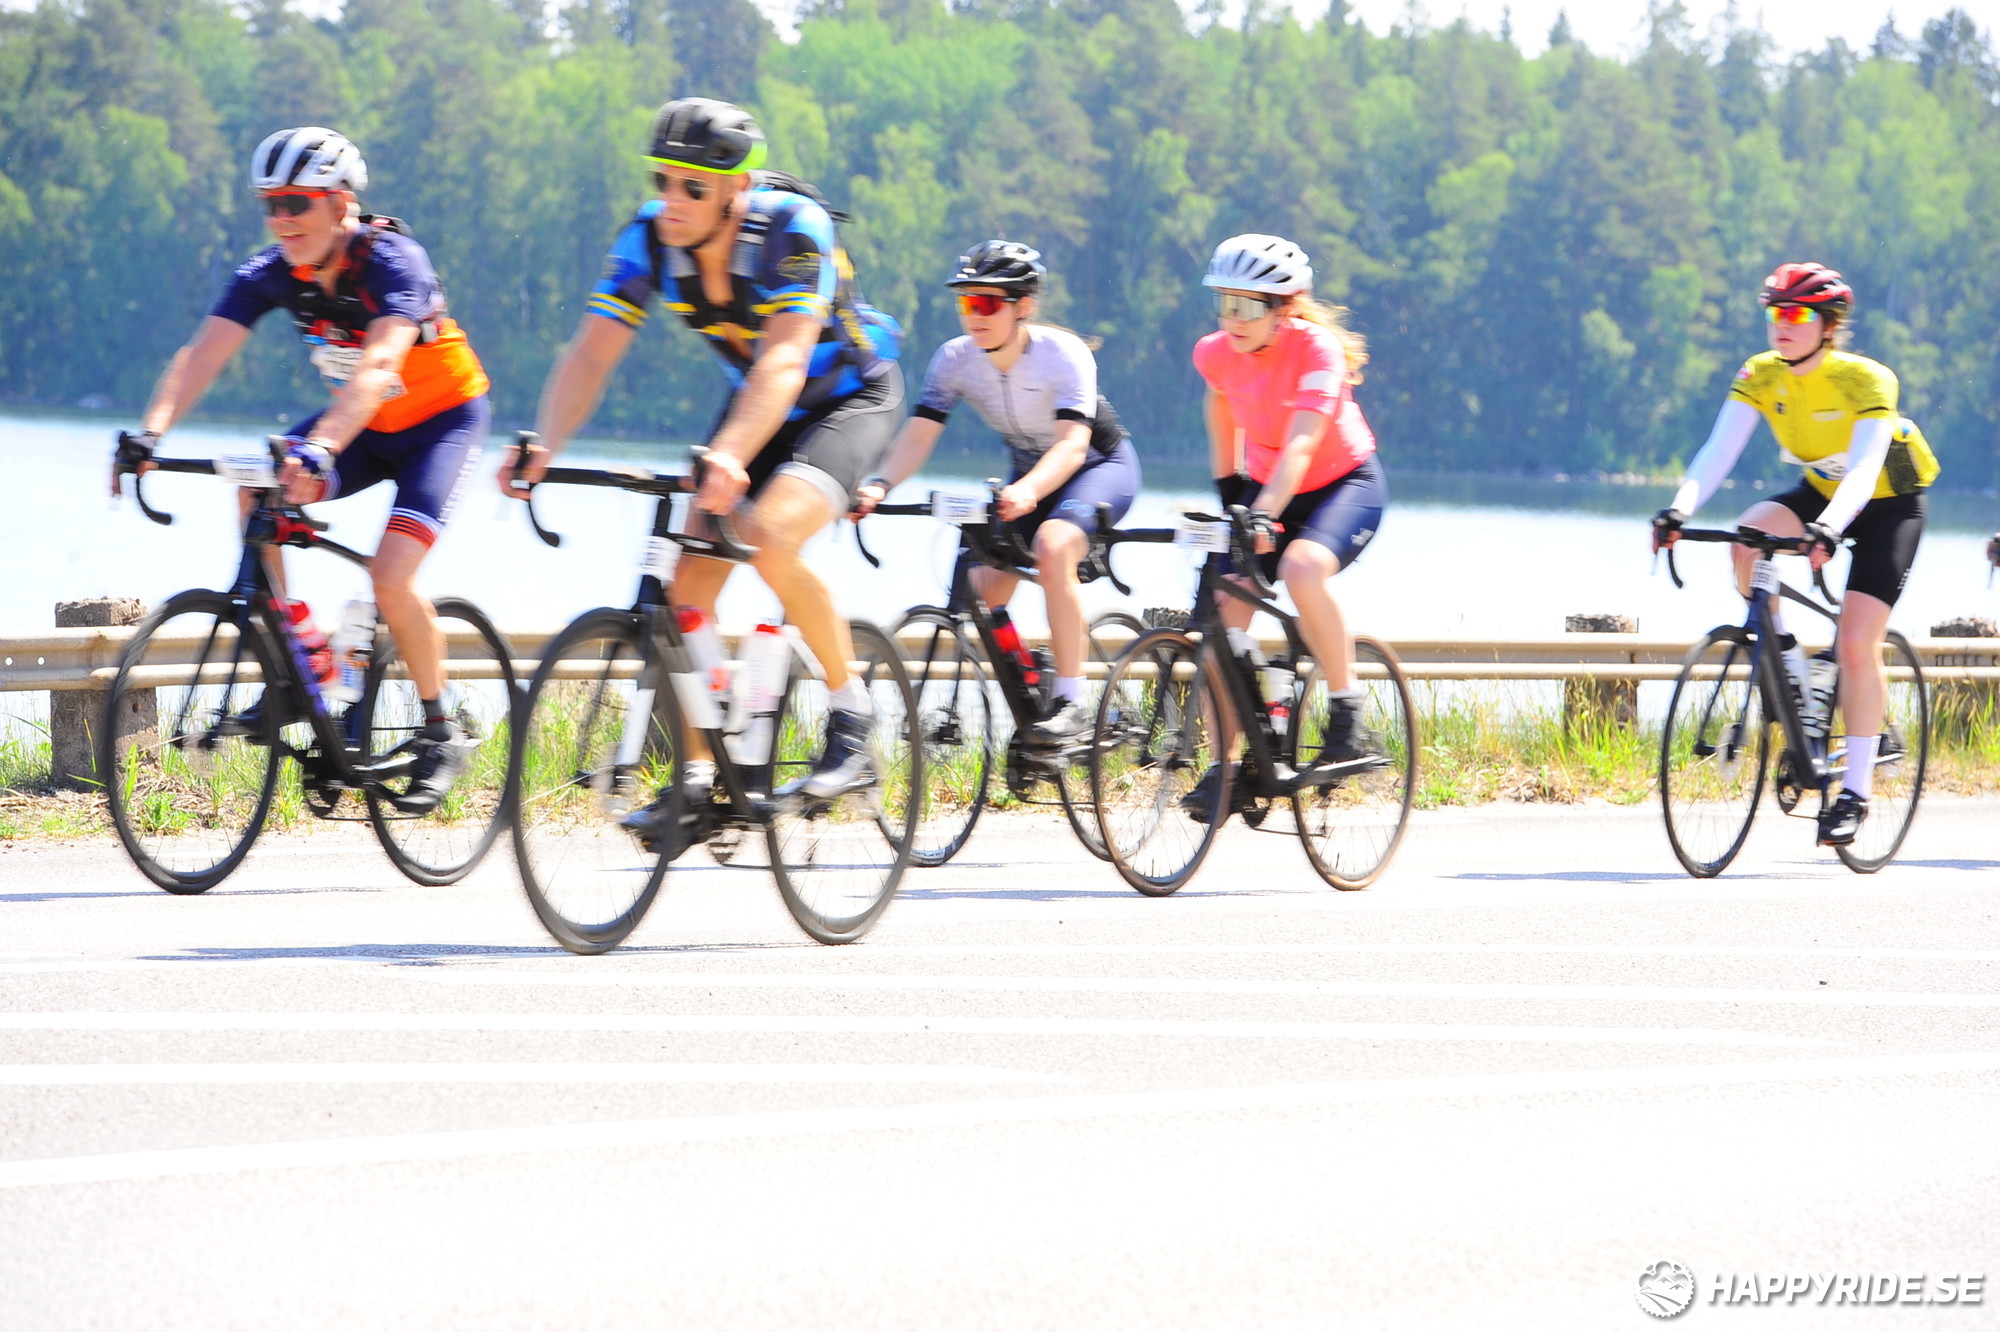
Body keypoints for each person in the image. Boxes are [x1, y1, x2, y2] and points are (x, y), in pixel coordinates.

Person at [500, 98, 904, 833]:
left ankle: (852, 718)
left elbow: (785, 359)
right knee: (687, 585)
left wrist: (730, 455)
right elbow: (592, 351)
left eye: (693, 186)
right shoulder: (649, 239)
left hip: (846, 399)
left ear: (737, 188)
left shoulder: (793, 231)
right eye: (662, 180)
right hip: (758, 404)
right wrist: (546, 441)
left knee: (768, 536)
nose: (673, 200)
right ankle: (697, 779)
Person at [117, 126, 490, 813]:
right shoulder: (270, 271)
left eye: (297, 202)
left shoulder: (395, 263)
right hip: (364, 428)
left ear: (341, 203)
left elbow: (379, 368)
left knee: (390, 576)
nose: (282, 219)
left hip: (440, 427)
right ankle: (299, 665)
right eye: (270, 205)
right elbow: (202, 354)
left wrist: (320, 449)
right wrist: (149, 433)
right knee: (255, 494)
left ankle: (443, 730)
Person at [1653, 261, 1939, 847]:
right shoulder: (1761, 374)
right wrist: (1678, 511)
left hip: (1888, 504)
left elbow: (1865, 468)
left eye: (1796, 313)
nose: (1781, 323)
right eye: (1773, 312)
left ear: (1828, 325)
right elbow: (1719, 449)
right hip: (1822, 492)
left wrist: (1829, 529)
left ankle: (1853, 794)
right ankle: (1791, 668)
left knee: (1856, 640)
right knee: (1748, 537)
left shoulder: (1866, 379)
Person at [853, 240, 1141, 744]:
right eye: (966, 303)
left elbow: (1072, 446)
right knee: (979, 586)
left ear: (1022, 306)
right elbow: (919, 434)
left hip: (1097, 467)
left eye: (987, 303)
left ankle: (1071, 701)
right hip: (1029, 477)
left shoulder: (1062, 354)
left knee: (1053, 546)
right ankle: (1033, 677)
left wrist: (1027, 490)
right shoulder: (955, 359)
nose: (974, 315)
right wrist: (879, 484)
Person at [1184, 234, 1386, 814]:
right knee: (1222, 612)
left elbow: (1301, 447)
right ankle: (1227, 767)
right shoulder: (1214, 352)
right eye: (1223, 302)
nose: (1231, 318)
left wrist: (1260, 515)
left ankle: (1348, 712)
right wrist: (1228, 490)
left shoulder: (1318, 351)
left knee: (1301, 568)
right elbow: (1221, 405)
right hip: (1265, 486)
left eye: (1246, 306)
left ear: (1285, 307)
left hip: (1342, 485)